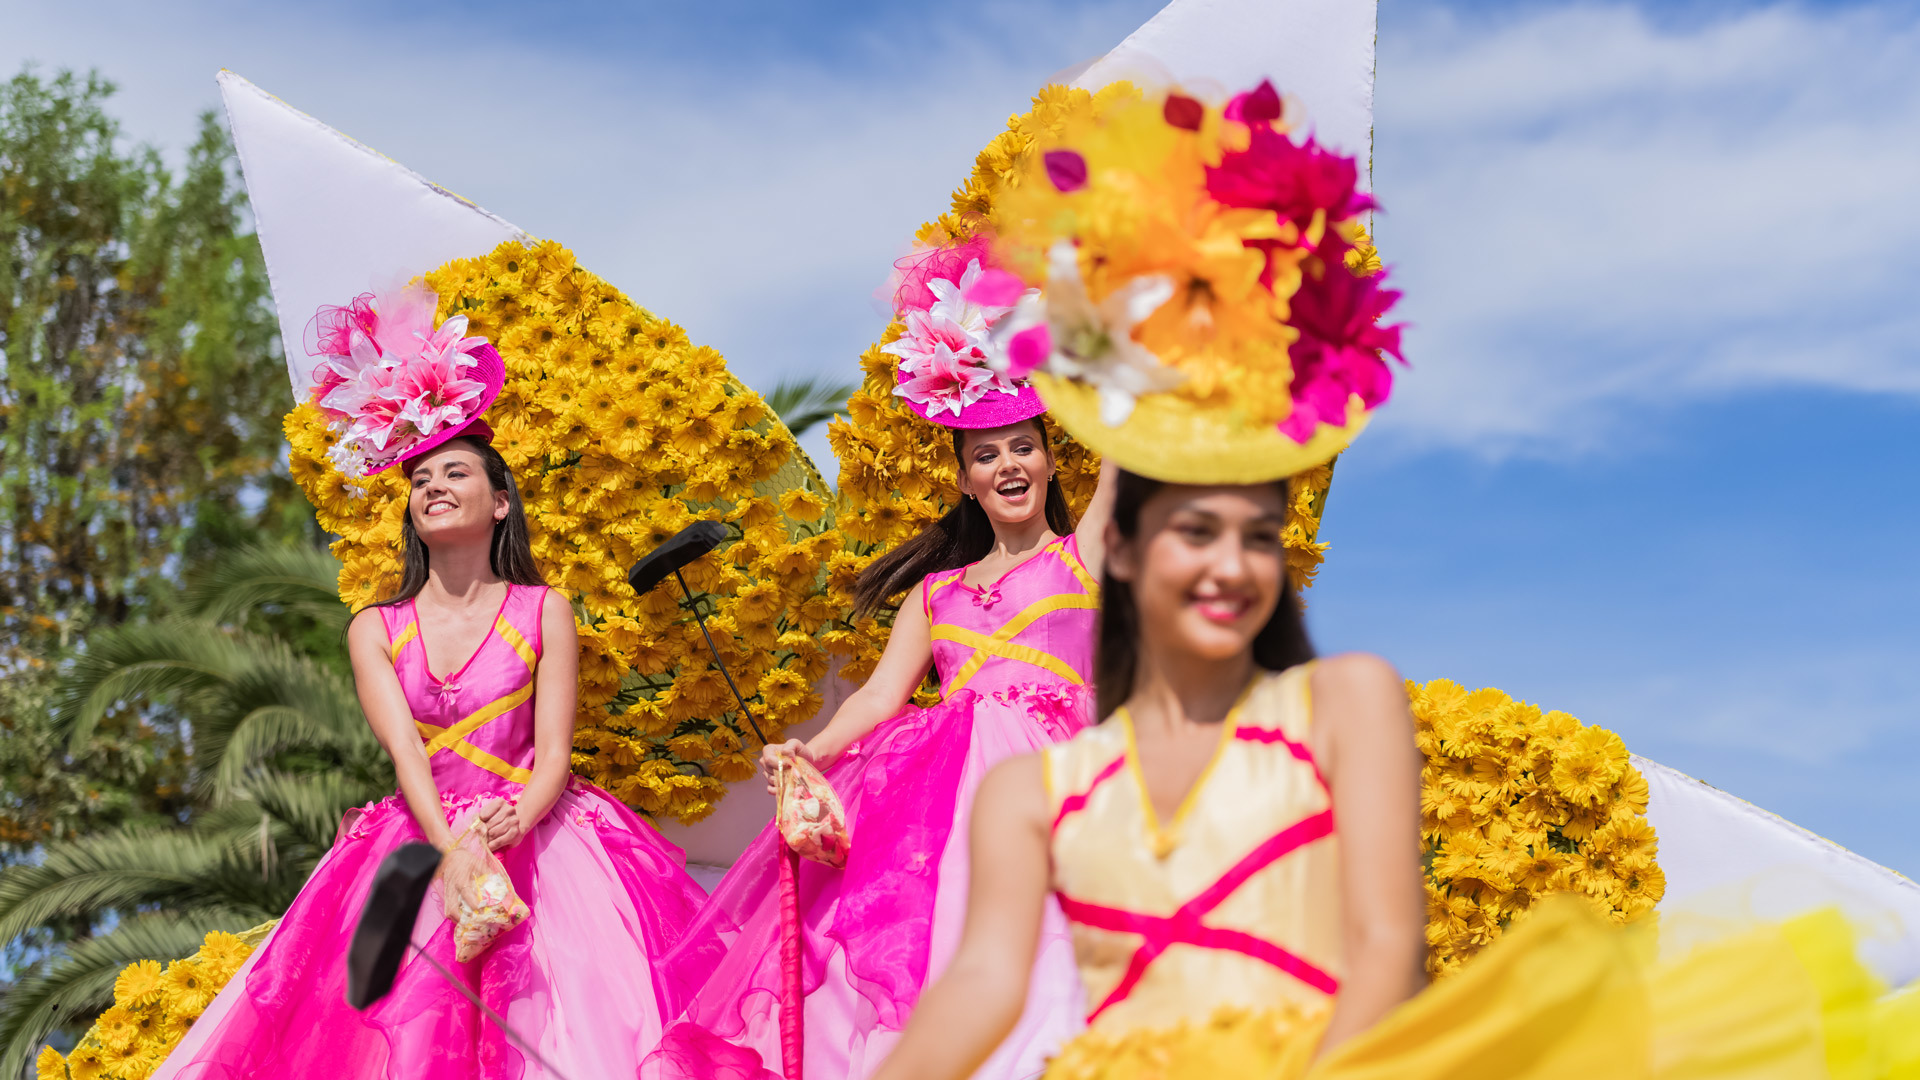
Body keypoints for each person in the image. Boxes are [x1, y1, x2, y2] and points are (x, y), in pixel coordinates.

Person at [873, 80, 1916, 1080]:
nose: (1222, 566)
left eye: (1250, 536)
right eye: (1189, 537)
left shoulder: (1342, 707)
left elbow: (1381, 953)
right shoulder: (1026, 788)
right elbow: (978, 990)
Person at [153, 289, 709, 1080]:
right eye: (420, 482)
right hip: (417, 838)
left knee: (572, 1033)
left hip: (543, 837)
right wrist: (455, 850)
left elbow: (554, 748)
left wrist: (513, 822)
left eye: (455, 472)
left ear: (501, 502)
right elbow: (406, 756)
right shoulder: (374, 629)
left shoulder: (544, 610)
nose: (433, 487)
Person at [645, 239, 1113, 1080]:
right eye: (986, 455)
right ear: (965, 480)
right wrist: (808, 750)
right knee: (941, 943)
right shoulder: (935, 592)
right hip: (946, 794)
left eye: (1022, 448)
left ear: (1048, 459)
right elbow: (878, 700)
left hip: (1063, 776)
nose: (1008, 464)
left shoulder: (1087, 557)